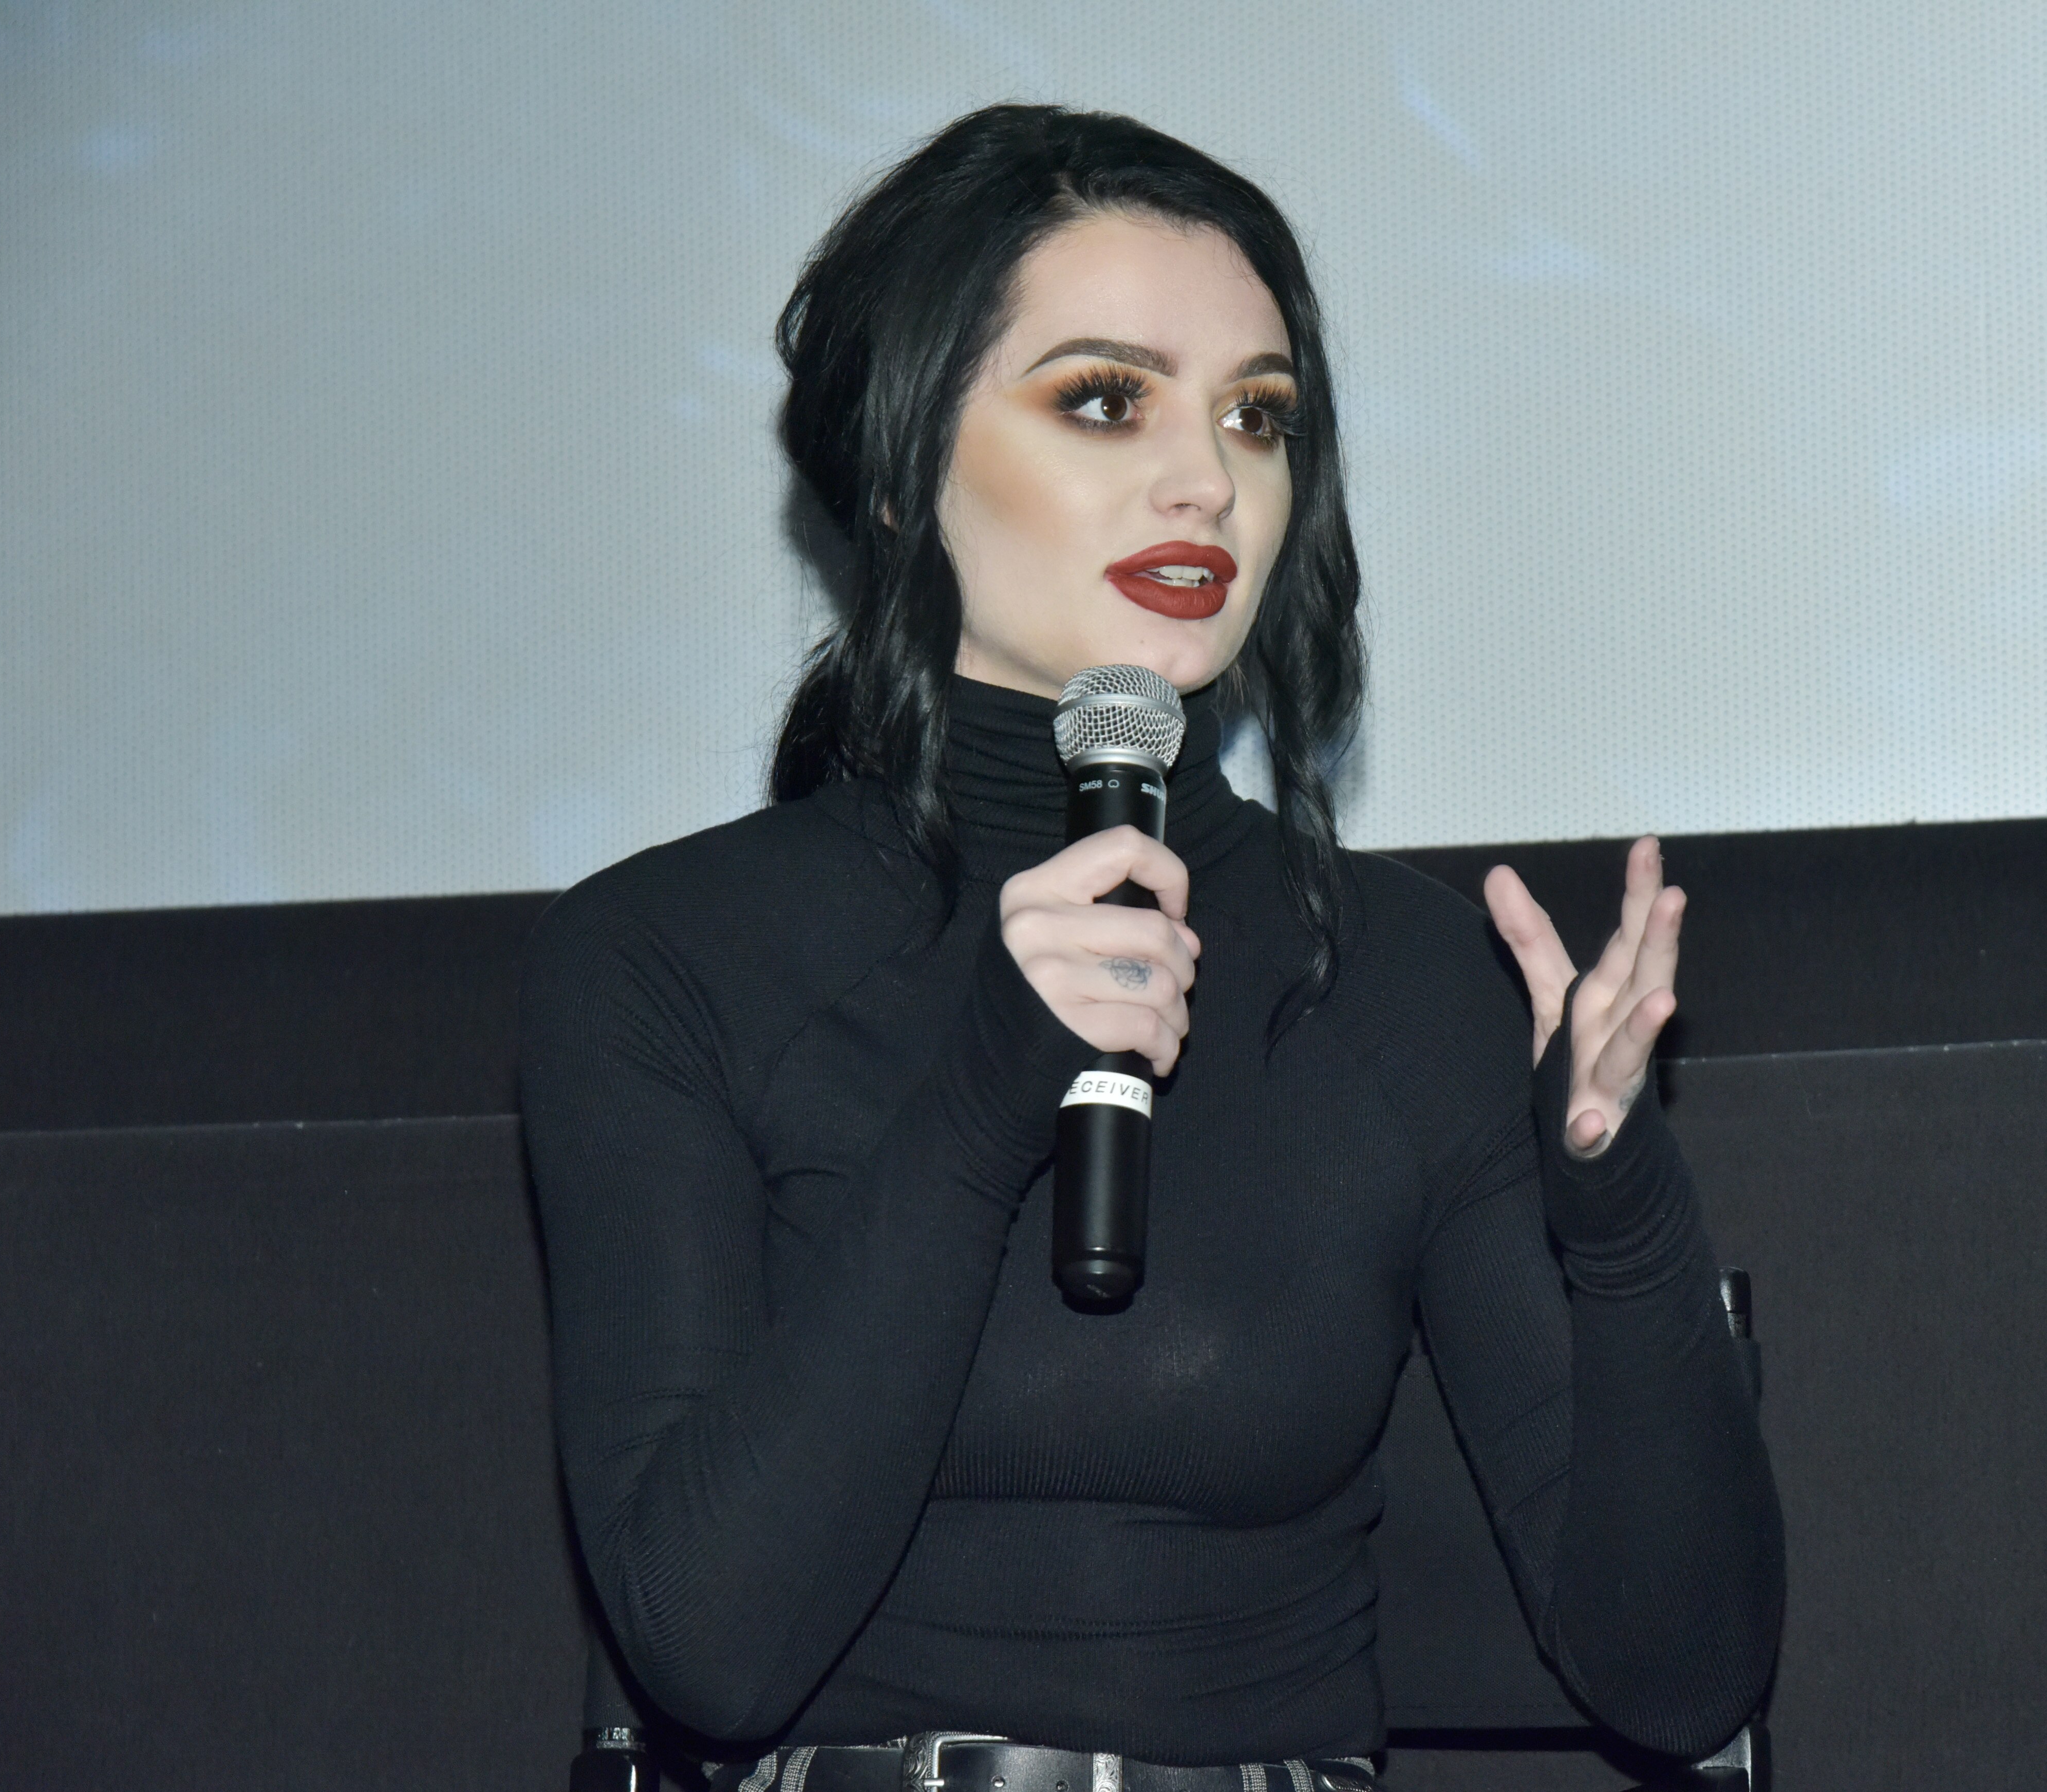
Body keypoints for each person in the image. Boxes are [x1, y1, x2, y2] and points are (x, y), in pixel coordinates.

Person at [521, 103, 1781, 1792]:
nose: (1207, 480)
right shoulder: (666, 961)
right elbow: (712, 1651)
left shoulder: (1401, 981)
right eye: (1106, 400)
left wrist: (1618, 1203)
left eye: (1258, 418)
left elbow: (1683, 1684)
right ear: (900, 467)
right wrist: (988, 1092)